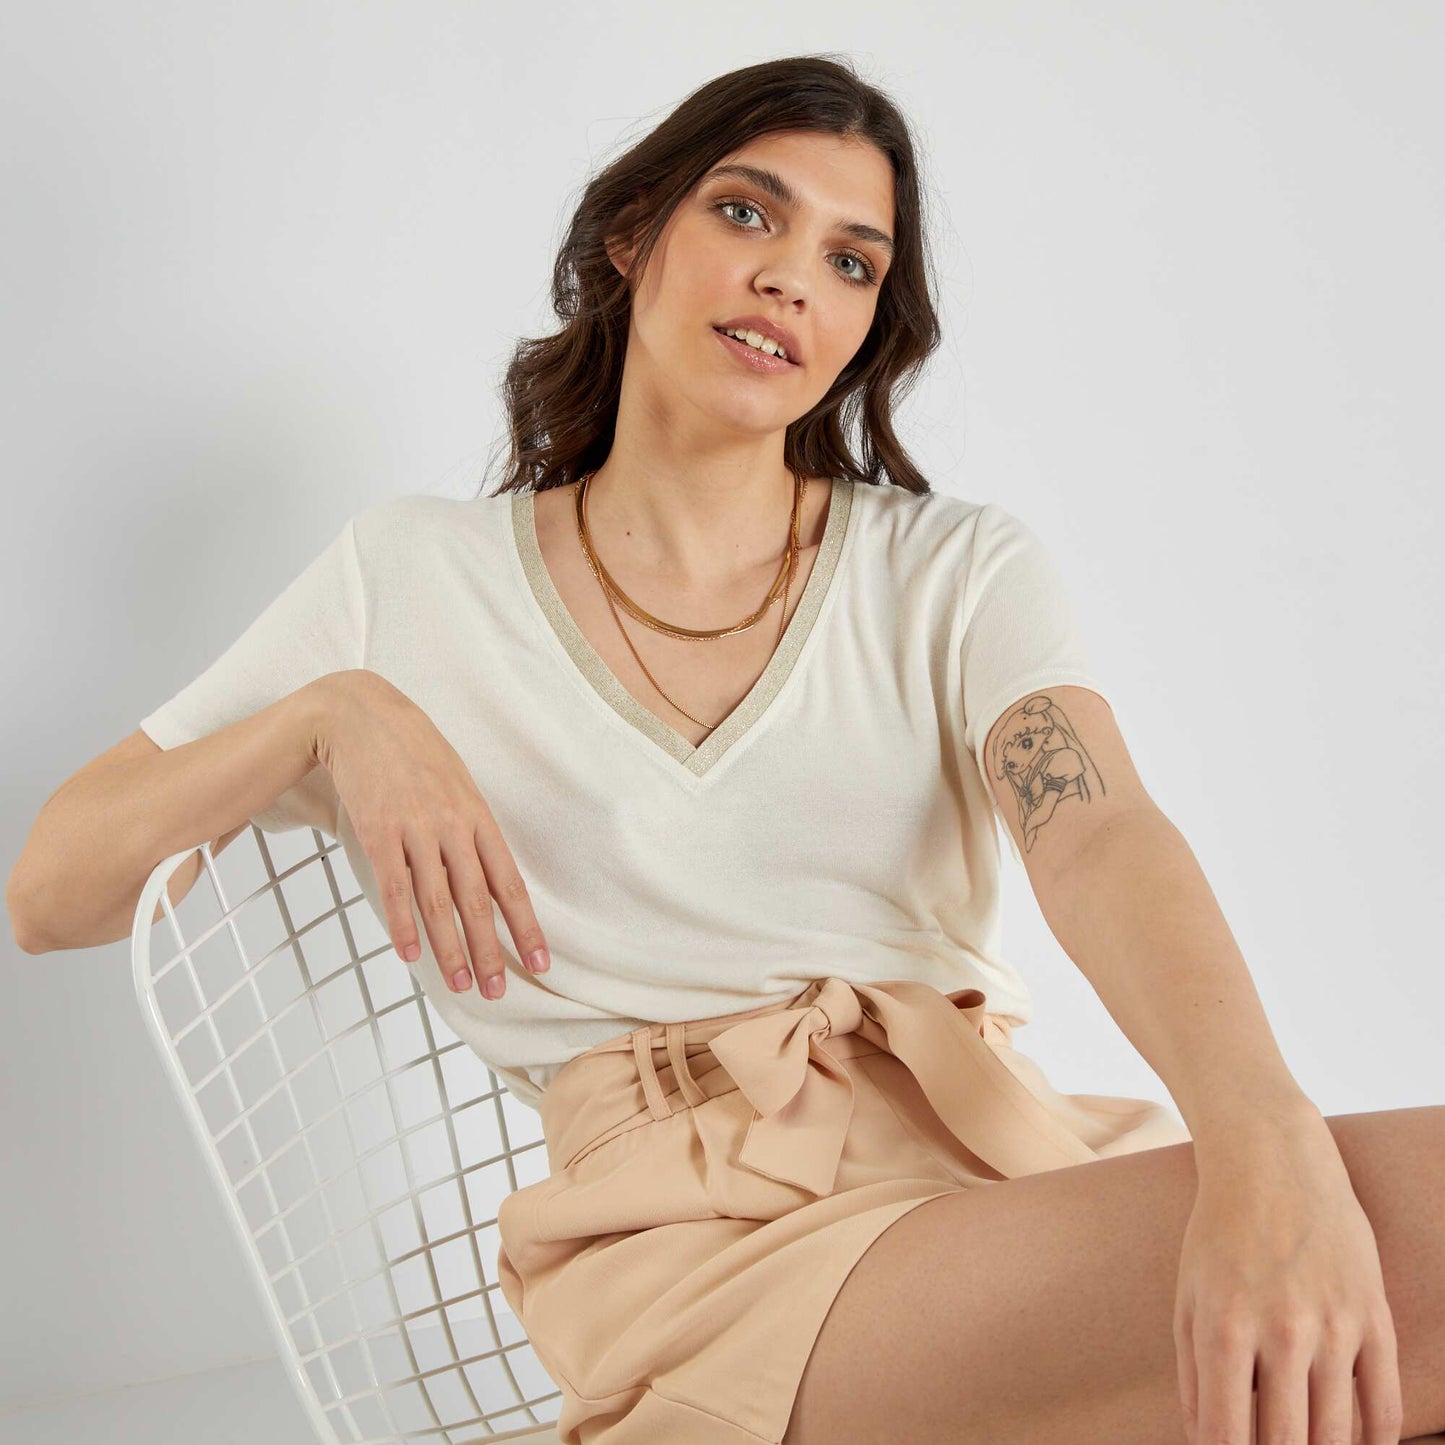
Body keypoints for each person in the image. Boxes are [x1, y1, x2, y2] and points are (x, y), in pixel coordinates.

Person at [12, 53, 1443, 1445]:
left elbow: (1097, 831)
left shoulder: (949, 571)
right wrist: (330, 715)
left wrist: (1265, 1139)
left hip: (997, 1166)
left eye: (851, 262)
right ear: (633, 235)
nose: (790, 280)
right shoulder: (413, 581)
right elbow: (51, 891)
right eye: (748, 212)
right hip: (704, 1258)